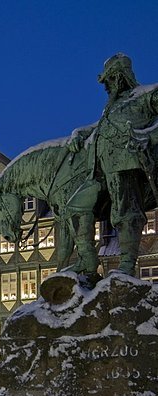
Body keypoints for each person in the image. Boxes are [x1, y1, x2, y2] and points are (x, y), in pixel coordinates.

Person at [68, 53, 158, 276]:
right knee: (74, 207)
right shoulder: (111, 107)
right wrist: (80, 133)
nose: (106, 87)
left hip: (126, 164)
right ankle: (88, 262)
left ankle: (127, 263)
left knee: (126, 212)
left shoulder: (145, 96)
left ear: (119, 77)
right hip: (99, 171)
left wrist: (149, 135)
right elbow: (100, 127)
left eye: (108, 81)